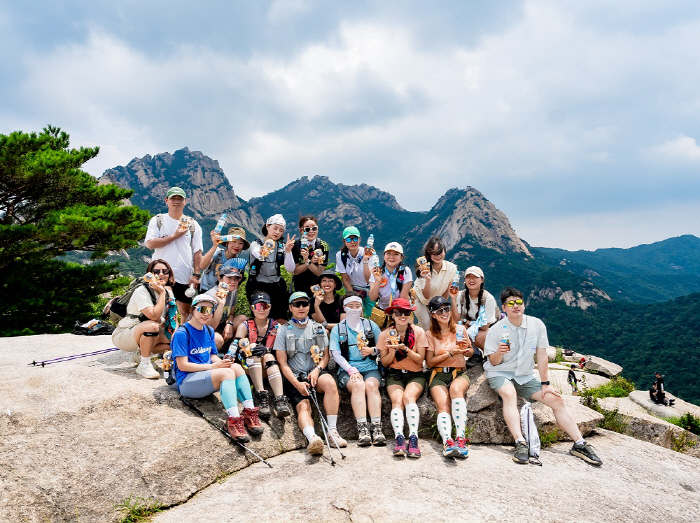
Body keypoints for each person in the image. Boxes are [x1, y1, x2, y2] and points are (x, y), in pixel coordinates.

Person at [484, 287, 603, 466]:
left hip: (524, 375)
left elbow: (542, 355)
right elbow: (492, 362)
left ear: (524, 305)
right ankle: (521, 443)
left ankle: (579, 443)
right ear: (504, 308)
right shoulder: (496, 330)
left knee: (557, 400)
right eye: (511, 303)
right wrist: (499, 353)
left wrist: (546, 383)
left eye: (519, 302)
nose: (515, 306)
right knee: (509, 394)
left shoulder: (537, 325)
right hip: (500, 372)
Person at [171, 294, 262, 442]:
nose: (206, 314)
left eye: (210, 310)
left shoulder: (208, 331)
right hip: (187, 382)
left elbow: (212, 355)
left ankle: (249, 411)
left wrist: (222, 362)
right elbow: (183, 365)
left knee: (236, 368)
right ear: (193, 310)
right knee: (226, 374)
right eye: (202, 309)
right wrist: (214, 366)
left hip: (205, 375)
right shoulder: (182, 333)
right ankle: (233, 419)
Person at [274, 292, 347, 455]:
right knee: (303, 405)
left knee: (329, 383)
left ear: (309, 306)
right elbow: (282, 362)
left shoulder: (318, 327)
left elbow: (326, 356)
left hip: (316, 371)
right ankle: (312, 438)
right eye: (297, 305)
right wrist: (297, 384)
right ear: (290, 307)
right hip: (295, 376)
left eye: (305, 304)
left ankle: (333, 431)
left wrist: (318, 370)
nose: (301, 308)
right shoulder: (283, 330)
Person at [329, 292, 385, 447]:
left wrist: (372, 350)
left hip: (370, 367)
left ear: (362, 308)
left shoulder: (370, 325)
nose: (354, 309)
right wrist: (350, 369)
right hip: (348, 369)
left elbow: (382, 347)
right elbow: (336, 354)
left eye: (357, 306)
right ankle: (363, 428)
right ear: (344, 307)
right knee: (358, 385)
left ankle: (377, 427)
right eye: (350, 306)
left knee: (371, 386)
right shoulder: (338, 329)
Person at [377, 298, 428, 458]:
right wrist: (392, 350)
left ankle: (413, 437)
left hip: (415, 374)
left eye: (406, 312)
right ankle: (399, 437)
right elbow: (385, 362)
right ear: (392, 315)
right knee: (397, 400)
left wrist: (404, 348)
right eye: (398, 312)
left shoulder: (418, 332)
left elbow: (420, 359)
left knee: (408, 397)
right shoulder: (385, 334)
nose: (402, 316)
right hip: (395, 374)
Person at [112, 259, 178, 379]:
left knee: (177, 340)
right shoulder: (142, 291)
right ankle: (144, 365)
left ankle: (142, 355)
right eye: (156, 271)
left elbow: (173, 317)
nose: (161, 274)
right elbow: (153, 316)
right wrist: (162, 293)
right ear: (150, 275)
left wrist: (175, 332)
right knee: (152, 326)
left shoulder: (169, 293)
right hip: (125, 334)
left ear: (170, 274)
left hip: (146, 332)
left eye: (165, 271)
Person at [144, 187, 204, 318]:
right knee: (158, 308)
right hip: (159, 273)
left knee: (185, 312)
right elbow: (150, 244)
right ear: (166, 200)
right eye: (173, 198)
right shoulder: (158, 220)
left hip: (183, 274)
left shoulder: (193, 224)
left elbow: (197, 252)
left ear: (185, 202)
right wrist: (175, 236)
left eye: (180, 199)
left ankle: (182, 338)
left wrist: (196, 275)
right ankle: (160, 337)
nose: (176, 202)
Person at [425, 296, 472, 458]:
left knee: (456, 390)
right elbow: (430, 362)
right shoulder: (429, 334)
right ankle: (447, 441)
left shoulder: (460, 329)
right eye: (440, 310)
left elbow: (471, 352)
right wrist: (451, 353)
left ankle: (460, 438)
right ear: (433, 314)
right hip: (438, 374)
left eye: (446, 309)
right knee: (443, 405)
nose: (444, 313)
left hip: (459, 372)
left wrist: (466, 349)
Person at [234, 291, 293, 419]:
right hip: (249, 367)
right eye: (257, 306)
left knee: (268, 356)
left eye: (264, 306)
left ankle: (280, 399)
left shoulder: (277, 327)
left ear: (270, 307)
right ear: (252, 308)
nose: (261, 310)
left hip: (269, 368)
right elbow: (235, 349)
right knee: (255, 351)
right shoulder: (244, 326)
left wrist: (267, 350)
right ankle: (261, 395)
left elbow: (283, 352)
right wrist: (246, 351)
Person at [247, 214, 296, 323]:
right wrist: (266, 248)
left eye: (281, 230)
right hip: (258, 284)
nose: (277, 232)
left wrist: (288, 251)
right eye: (275, 228)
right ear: (267, 226)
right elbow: (259, 254)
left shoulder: (282, 246)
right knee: (260, 316)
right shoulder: (256, 244)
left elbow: (290, 268)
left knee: (280, 317)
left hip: (276, 285)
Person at [451, 266, 500, 350]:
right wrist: (453, 298)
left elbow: (484, 326)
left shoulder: (487, 298)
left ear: (482, 280)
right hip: (474, 326)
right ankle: (475, 354)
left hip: (490, 328)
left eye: (475, 277)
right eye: (468, 277)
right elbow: (456, 320)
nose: (471, 280)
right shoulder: (461, 295)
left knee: (478, 336)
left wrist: (466, 322)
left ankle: (490, 354)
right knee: (457, 330)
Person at [413, 236, 458, 330]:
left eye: (439, 252)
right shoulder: (424, 268)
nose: (437, 256)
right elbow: (425, 295)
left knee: (439, 325)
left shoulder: (451, 268)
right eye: (434, 253)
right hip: (419, 299)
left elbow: (446, 290)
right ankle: (424, 343)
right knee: (426, 324)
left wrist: (441, 307)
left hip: (435, 302)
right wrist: (428, 279)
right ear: (429, 254)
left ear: (444, 251)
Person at [335, 226, 379, 317]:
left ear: (359, 239)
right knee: (355, 317)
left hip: (369, 290)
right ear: (344, 241)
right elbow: (345, 279)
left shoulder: (367, 253)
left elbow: (368, 279)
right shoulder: (341, 256)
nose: (352, 242)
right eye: (349, 239)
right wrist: (354, 298)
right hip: (353, 289)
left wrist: (365, 260)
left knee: (373, 317)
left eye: (355, 238)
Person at [203, 262, 248, 351]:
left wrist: (229, 324)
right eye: (229, 278)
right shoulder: (211, 297)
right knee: (217, 339)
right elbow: (207, 326)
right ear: (220, 278)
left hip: (220, 326)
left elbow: (231, 313)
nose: (233, 282)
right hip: (203, 330)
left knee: (243, 319)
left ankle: (232, 350)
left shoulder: (232, 291)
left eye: (236, 279)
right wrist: (221, 305)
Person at [368, 242, 413, 328]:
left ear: (401, 257)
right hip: (383, 311)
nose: (391, 257)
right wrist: (378, 280)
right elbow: (373, 297)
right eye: (388, 254)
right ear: (384, 256)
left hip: (401, 310)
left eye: (396, 254)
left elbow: (403, 297)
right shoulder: (377, 272)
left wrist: (394, 314)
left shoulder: (405, 271)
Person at [291, 215, 330, 302]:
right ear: (301, 230)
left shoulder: (323, 246)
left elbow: (319, 272)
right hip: (299, 287)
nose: (311, 231)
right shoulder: (295, 245)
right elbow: (296, 271)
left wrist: (308, 261)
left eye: (314, 228)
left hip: (317, 287)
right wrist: (310, 262)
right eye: (307, 229)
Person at [199, 226, 250, 292]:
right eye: (234, 241)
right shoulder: (217, 252)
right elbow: (202, 266)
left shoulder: (239, 265)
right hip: (206, 291)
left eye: (240, 243)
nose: (237, 246)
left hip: (224, 294)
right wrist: (215, 246)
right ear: (227, 243)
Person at [311, 270, 345, 334]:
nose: (327, 283)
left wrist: (326, 325)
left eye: (331, 281)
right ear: (320, 284)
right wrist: (316, 306)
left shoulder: (341, 300)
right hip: (320, 333)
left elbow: (342, 325)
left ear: (335, 285)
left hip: (339, 333)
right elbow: (319, 322)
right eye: (324, 280)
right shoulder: (313, 301)